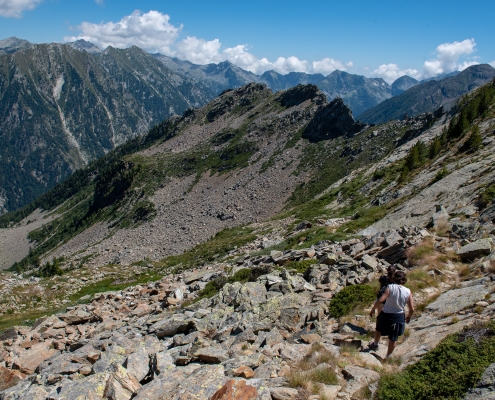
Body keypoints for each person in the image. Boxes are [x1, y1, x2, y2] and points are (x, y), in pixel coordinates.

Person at [368, 270, 414, 359]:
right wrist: (408, 316)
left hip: (386, 313)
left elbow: (381, 300)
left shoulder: (390, 287)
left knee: (378, 328)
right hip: (398, 315)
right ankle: (388, 356)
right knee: (393, 337)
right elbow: (412, 308)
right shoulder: (408, 291)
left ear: (394, 278)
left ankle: (375, 344)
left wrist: (373, 309)